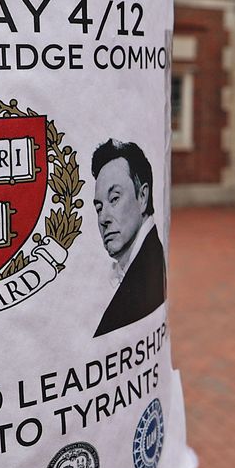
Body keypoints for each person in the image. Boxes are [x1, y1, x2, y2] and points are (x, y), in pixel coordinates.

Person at [92, 138, 166, 336]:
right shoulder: (140, 264)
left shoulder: (148, 270)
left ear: (142, 197)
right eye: (99, 207)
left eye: (114, 198)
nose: (103, 218)